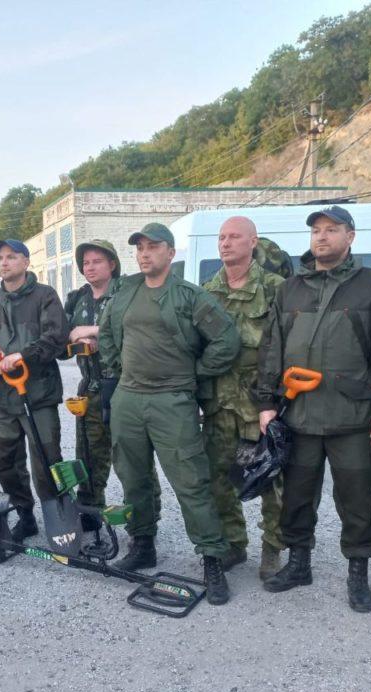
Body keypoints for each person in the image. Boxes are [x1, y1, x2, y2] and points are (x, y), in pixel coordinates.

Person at [256, 205, 371, 612]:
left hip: (353, 418)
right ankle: (298, 564)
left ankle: (357, 573)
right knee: (296, 496)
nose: (321, 237)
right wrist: (267, 402)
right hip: (299, 415)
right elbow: (271, 347)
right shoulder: (289, 289)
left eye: (331, 229)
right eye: (316, 231)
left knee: (357, 499)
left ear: (350, 237)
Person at [98, 222, 241, 605]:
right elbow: (106, 333)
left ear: (171, 253)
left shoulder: (189, 296)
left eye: (153, 247)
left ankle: (212, 558)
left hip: (172, 401)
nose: (145, 254)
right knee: (133, 478)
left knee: (191, 481)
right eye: (140, 248)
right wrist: (121, 371)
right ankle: (143, 543)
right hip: (129, 399)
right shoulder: (126, 291)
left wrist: (193, 374)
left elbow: (226, 340)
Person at [201, 216, 286, 580]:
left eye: (234, 236)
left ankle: (273, 548)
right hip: (219, 403)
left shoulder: (276, 288)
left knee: (271, 480)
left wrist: (276, 400)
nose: (226, 243)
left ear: (253, 242)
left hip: (260, 405)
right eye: (221, 237)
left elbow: (287, 347)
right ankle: (234, 544)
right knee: (218, 478)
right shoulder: (206, 291)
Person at [0, 238, 69, 541]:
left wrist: (22, 356)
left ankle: (59, 518)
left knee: (47, 460)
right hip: (3, 398)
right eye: (0, 258)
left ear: (26, 262)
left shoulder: (45, 296)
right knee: (5, 463)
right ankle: (25, 515)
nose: (4, 262)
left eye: (11, 256)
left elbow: (56, 338)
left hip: (38, 394)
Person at [63, 239, 121, 508]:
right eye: (85, 263)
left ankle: (143, 520)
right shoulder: (77, 299)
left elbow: (134, 330)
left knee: (131, 457)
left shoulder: (126, 294)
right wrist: (76, 340)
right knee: (87, 454)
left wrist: (95, 331)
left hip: (123, 387)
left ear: (112, 264)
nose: (90, 267)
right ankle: (90, 511)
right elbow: (61, 342)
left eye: (97, 261)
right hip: (91, 388)